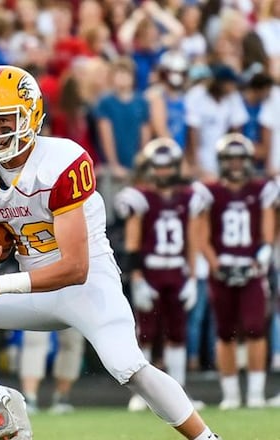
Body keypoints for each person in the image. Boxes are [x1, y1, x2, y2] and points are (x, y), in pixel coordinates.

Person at [0, 65, 221, 440]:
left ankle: (205, 437)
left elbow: (74, 267)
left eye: (3, 119)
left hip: (87, 287)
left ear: (31, 115)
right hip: (29, 289)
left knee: (128, 366)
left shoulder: (61, 161)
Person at [114, 138, 203, 412]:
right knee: (147, 333)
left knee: (177, 332)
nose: (163, 172)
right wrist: (137, 277)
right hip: (151, 270)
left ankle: (179, 390)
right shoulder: (140, 197)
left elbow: (191, 237)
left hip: (176, 269)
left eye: (167, 167)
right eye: (158, 167)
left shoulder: (189, 197)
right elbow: (132, 241)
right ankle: (144, 394)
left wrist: (192, 275)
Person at [193, 133, 277, 410]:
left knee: (254, 329)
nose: (237, 164)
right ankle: (230, 394)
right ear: (221, 162)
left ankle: (255, 394)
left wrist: (263, 255)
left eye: (241, 159)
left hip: (252, 268)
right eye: (231, 159)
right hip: (223, 268)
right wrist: (216, 266)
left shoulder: (261, 189)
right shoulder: (210, 192)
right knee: (225, 332)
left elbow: (267, 231)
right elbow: (202, 236)